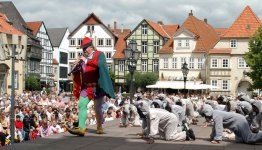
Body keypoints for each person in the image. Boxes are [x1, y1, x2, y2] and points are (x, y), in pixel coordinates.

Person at [66, 37, 115, 136]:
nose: (84, 50)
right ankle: (81, 128)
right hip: (86, 87)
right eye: (82, 49)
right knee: (81, 105)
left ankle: (99, 126)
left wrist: (87, 61)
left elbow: (100, 64)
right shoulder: (83, 58)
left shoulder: (99, 54)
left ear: (91, 47)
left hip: (97, 87)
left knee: (97, 108)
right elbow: (80, 72)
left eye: (85, 48)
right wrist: (76, 67)